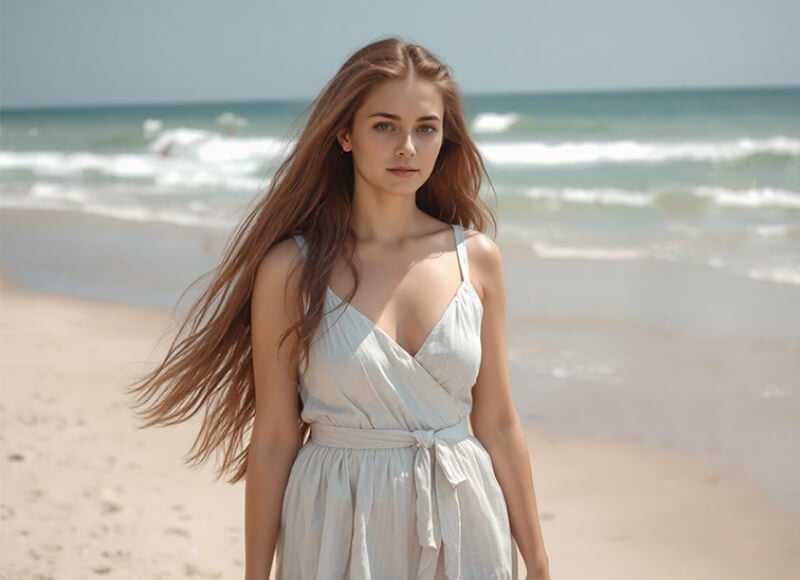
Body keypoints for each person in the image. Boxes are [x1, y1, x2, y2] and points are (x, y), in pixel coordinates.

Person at [128, 37, 550, 580]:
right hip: (337, 519)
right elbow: (277, 436)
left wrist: (537, 561)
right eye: (384, 126)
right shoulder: (292, 269)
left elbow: (497, 422)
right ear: (345, 134)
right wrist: (257, 574)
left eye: (426, 128)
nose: (408, 147)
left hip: (465, 516)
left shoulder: (477, 260)